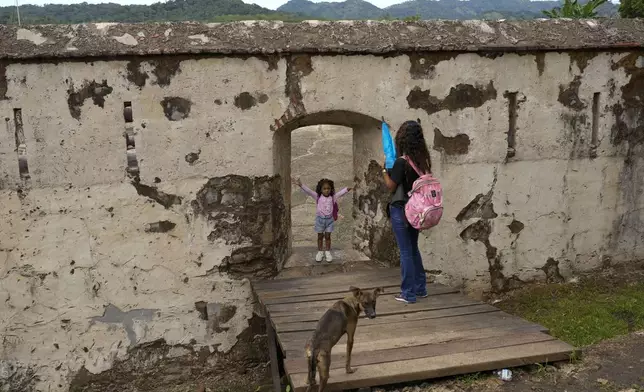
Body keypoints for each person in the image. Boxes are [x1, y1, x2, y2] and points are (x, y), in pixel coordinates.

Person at [380, 120, 431, 304]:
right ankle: (420, 288)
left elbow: (391, 186)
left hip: (401, 209)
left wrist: (384, 169)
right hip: (417, 210)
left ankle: (408, 293)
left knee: (405, 251)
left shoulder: (402, 162)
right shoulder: (422, 160)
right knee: (413, 248)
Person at [292, 177, 353, 263]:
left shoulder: (333, 197)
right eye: (324, 188)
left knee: (328, 236)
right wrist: (301, 185)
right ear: (320, 189)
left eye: (328, 188)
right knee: (320, 236)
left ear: (331, 189)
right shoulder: (317, 196)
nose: (326, 190)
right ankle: (320, 252)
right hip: (320, 220)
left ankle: (327, 252)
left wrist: (347, 189)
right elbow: (309, 191)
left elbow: (340, 193)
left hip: (329, 221)